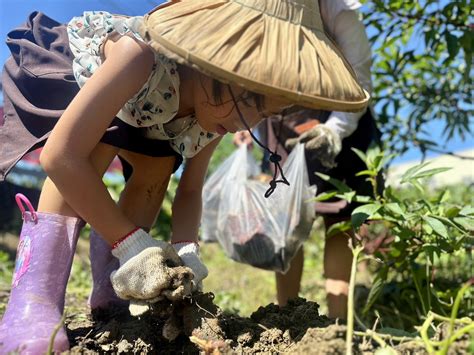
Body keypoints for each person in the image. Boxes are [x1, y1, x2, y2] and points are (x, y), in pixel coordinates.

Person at [0, 0, 369, 352]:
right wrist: (132, 245)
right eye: (251, 101)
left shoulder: (215, 119)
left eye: (263, 114)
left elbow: (190, 191)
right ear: (214, 63)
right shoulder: (137, 58)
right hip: (93, 82)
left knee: (157, 169)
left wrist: (186, 250)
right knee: (94, 153)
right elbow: (61, 158)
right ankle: (35, 298)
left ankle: (110, 288)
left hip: (154, 114)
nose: (247, 123)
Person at [233, 0, 379, 319]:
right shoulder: (262, 12)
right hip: (284, 120)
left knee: (341, 217)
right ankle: (290, 317)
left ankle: (339, 320)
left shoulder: (338, 12)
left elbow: (359, 80)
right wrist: (248, 120)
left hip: (340, 117)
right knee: (287, 218)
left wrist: (335, 130)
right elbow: (254, 76)